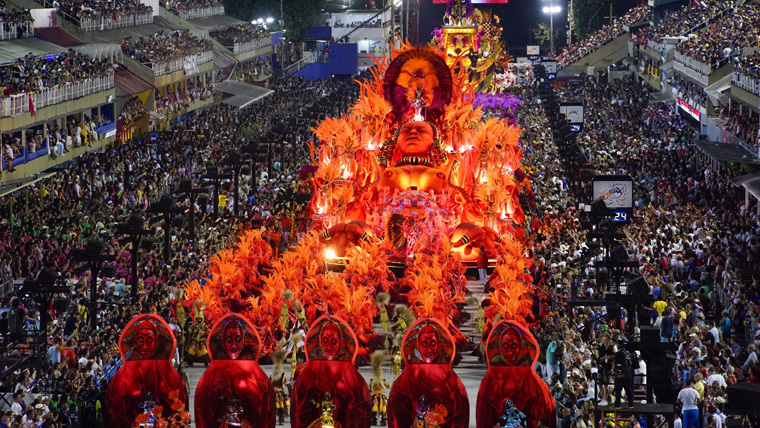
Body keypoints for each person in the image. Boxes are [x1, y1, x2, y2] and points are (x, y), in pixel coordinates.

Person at [612, 337, 634, 409]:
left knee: (618, 389)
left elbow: (613, 358)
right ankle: (631, 404)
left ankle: (618, 405)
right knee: (628, 388)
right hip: (628, 373)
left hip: (621, 373)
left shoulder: (619, 353)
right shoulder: (629, 353)